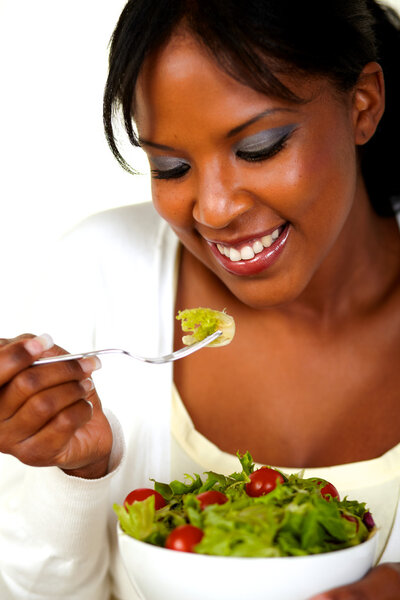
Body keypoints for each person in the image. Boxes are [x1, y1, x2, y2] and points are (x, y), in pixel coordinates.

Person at [0, 0, 400, 598]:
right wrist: (73, 472)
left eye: (259, 146)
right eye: (171, 165)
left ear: (362, 105)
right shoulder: (94, 272)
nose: (212, 210)